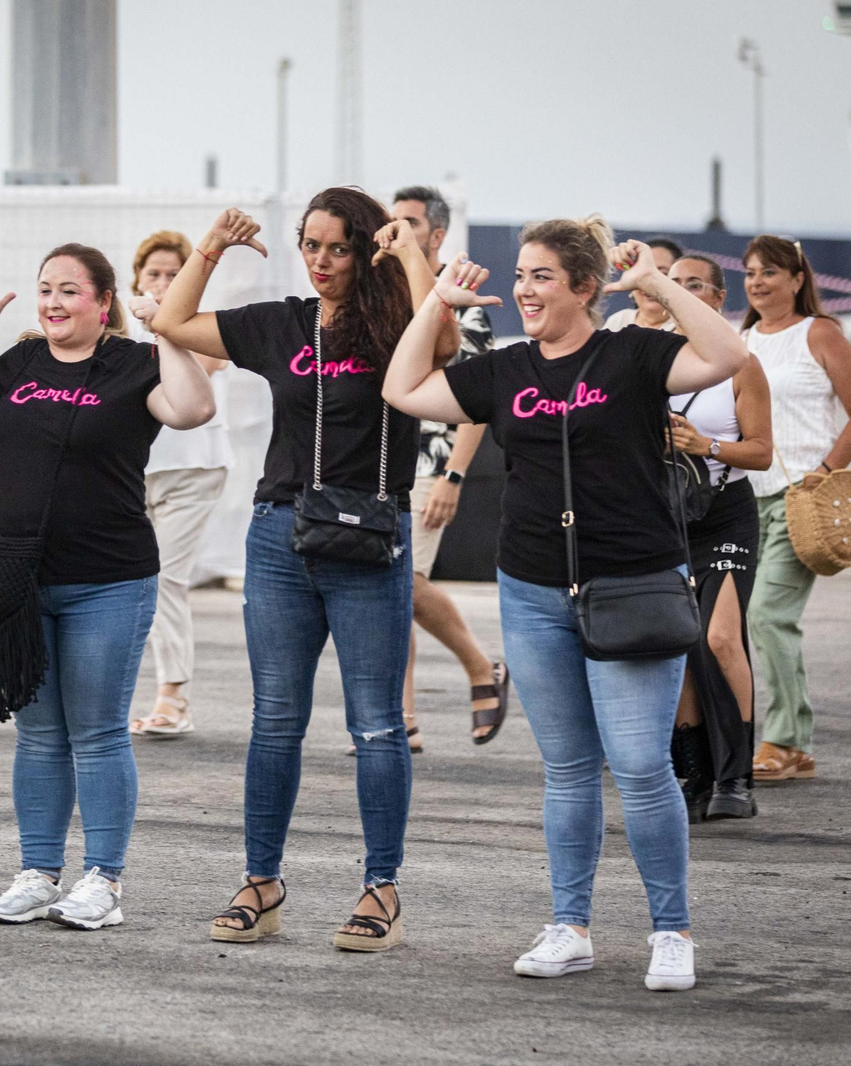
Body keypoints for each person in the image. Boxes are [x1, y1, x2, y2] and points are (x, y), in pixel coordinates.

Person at [383, 219, 749, 990]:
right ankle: (569, 926)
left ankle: (671, 931)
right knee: (569, 770)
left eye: (542, 275)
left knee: (643, 766)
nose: (523, 289)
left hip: (632, 583)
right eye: (521, 274)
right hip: (532, 587)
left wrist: (653, 283)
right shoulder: (506, 369)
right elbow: (403, 388)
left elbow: (729, 355)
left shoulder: (635, 355)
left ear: (586, 287)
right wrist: (438, 305)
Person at [152, 189, 456, 953]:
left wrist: (413, 255)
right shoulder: (282, 321)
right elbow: (171, 323)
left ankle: (381, 886)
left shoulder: (395, 326)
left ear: (367, 250)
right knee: (275, 721)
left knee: (377, 725)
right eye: (310, 246)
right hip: (279, 533)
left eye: (338, 248)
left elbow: (443, 344)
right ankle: (262, 881)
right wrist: (211, 246)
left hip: (367, 540)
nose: (321, 262)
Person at [0, 242, 215, 930]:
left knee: (98, 733)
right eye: (46, 288)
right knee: (38, 734)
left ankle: (102, 881)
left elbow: (193, 410)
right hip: (21, 576)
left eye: (70, 291)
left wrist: (165, 328)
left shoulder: (135, 364)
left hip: (108, 578)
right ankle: (38, 872)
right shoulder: (19, 362)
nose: (53, 302)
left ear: (104, 304)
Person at [742, 236, 851, 783]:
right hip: (744, 499)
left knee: (768, 615)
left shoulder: (820, 333)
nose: (757, 281)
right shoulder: (742, 340)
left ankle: (788, 740)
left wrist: (822, 475)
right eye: (750, 272)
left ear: (797, 279)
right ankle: (760, 737)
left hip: (802, 500)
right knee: (730, 623)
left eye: (769, 272)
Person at [389, 185, 509, 748]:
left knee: (404, 585)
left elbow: (478, 399)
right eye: (393, 221)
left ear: (437, 234)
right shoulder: (382, 292)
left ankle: (481, 666)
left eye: (410, 222)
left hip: (429, 462)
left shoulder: (459, 299)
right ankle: (403, 716)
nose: (398, 231)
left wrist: (453, 476)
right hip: (379, 462)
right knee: (388, 589)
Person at [663, 255, 772, 822]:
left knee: (720, 638)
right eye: (673, 284)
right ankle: (693, 773)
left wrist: (705, 445)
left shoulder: (739, 365)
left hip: (725, 514)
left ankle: (737, 775)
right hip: (666, 517)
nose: (680, 292)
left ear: (717, 296)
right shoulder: (653, 359)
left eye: (694, 284)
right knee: (679, 647)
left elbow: (761, 451)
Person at [126, 229, 234, 738]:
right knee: (130, 581)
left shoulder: (202, 328)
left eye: (175, 275)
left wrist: (165, 325)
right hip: (135, 473)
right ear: (136, 280)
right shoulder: (121, 336)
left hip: (195, 467)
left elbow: (205, 370)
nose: (165, 283)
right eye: (155, 275)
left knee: (165, 576)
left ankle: (174, 696)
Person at [602, 236, 683, 332]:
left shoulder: (687, 327)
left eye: (663, 274)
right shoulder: (619, 320)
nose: (649, 283)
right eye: (642, 274)